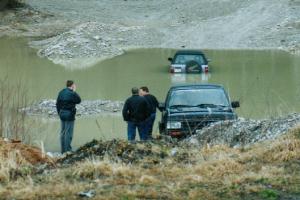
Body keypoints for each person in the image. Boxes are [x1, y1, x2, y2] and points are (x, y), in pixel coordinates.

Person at [56, 80, 81, 154]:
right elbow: (79, 100)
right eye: (74, 85)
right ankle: (68, 151)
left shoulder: (61, 92)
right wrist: (74, 91)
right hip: (69, 114)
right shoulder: (72, 93)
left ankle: (63, 151)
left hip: (62, 113)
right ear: (72, 85)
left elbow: (57, 104)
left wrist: (59, 113)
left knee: (63, 132)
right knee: (68, 133)